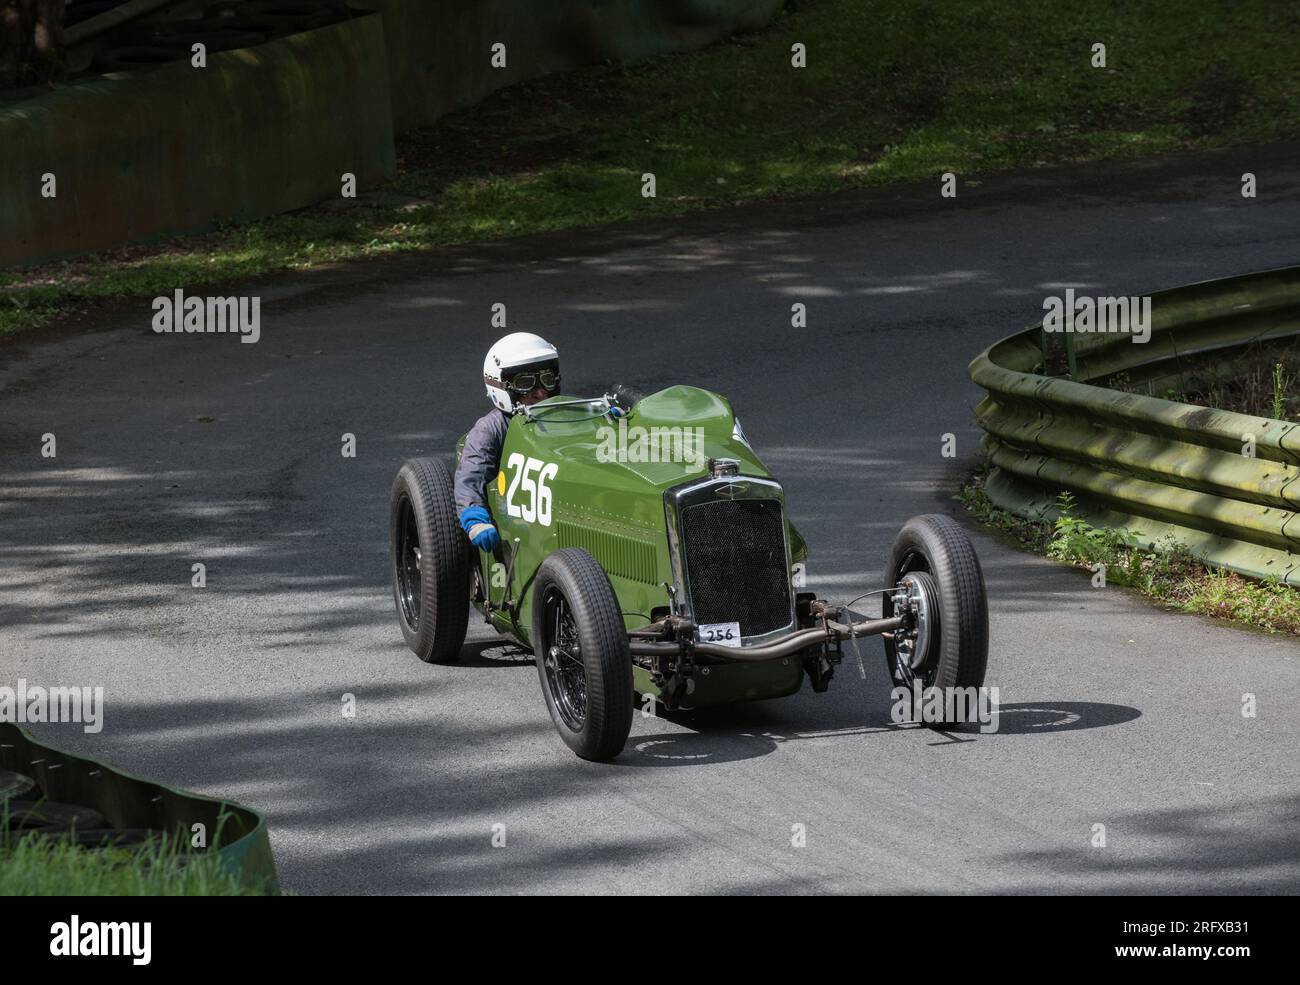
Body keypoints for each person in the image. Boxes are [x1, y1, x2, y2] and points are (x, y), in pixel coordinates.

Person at [454, 332, 561, 553]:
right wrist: (476, 519)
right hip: (517, 521)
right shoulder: (489, 428)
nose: (541, 392)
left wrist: (609, 420)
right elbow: (471, 474)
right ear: (502, 387)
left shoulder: (571, 415)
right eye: (526, 383)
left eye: (547, 380)